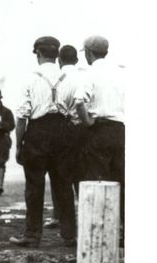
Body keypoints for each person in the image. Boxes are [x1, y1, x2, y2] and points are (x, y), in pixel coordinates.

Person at [10, 36, 76, 248]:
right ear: (56, 54)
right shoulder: (69, 77)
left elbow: (22, 117)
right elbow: (75, 113)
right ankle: (69, 235)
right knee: (63, 185)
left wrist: (19, 145)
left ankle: (32, 236)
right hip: (63, 132)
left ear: (38, 53)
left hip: (37, 133)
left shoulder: (30, 78)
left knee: (34, 186)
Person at [74, 35, 125, 246]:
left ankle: (103, 233)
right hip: (121, 130)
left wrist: (87, 122)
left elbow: (79, 101)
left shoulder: (90, 72)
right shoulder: (121, 72)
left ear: (88, 52)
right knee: (123, 180)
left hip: (100, 129)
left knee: (98, 180)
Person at [44, 45, 87, 229]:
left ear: (60, 61)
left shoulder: (57, 78)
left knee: (59, 175)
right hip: (85, 129)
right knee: (83, 174)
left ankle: (58, 216)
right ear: (77, 60)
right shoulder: (86, 75)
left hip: (63, 128)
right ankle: (86, 217)